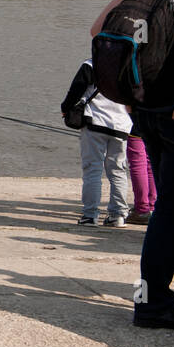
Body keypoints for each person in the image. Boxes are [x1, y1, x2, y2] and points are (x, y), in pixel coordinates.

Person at [90, 0, 174, 329]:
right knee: (172, 210)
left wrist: (126, 95)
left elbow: (99, 30)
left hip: (146, 108)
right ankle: (151, 305)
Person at [60, 59, 132, 227]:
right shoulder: (131, 65)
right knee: (118, 171)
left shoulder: (91, 64)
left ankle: (90, 215)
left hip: (95, 122)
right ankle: (118, 215)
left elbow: (75, 91)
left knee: (92, 169)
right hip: (122, 125)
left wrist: (65, 109)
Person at [127, 133, 156, 226]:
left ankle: (142, 209)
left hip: (137, 128)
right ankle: (151, 206)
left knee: (138, 164)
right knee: (150, 162)